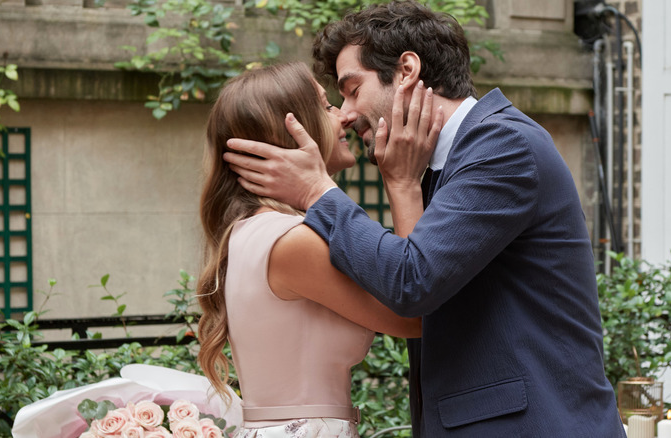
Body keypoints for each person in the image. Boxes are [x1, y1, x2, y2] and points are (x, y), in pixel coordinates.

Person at [223, 2, 627, 437]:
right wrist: (402, 184)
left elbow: (412, 283)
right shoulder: (430, 167)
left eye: (352, 89)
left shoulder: (502, 146)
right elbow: (418, 290)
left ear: (407, 70)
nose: (346, 111)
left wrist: (318, 192)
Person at [195, 61, 441, 438]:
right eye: (326, 107)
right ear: (291, 131)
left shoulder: (256, 232)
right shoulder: (291, 241)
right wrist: (403, 183)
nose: (343, 116)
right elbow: (418, 313)